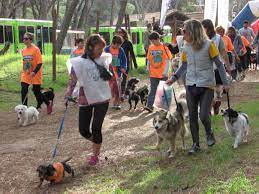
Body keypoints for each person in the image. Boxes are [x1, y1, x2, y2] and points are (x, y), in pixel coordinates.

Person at [166, 19, 229, 154]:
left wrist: (225, 82)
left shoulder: (209, 45)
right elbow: (183, 66)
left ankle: (209, 132)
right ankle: (196, 144)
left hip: (206, 84)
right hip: (190, 84)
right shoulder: (185, 47)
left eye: (184, 31)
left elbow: (219, 64)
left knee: (204, 116)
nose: (183, 34)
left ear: (193, 31)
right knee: (192, 116)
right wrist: (173, 78)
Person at [65, 34, 112, 166]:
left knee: (96, 127)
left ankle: (95, 155)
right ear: (90, 47)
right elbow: (72, 79)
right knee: (83, 130)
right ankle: (96, 141)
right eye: (99, 48)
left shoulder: (104, 59)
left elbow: (110, 76)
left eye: (103, 48)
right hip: (85, 98)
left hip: (102, 99)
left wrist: (115, 90)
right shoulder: (79, 62)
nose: (101, 51)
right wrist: (68, 93)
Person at [201, 19, 231, 115]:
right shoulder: (201, 39)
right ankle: (209, 110)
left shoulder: (218, 38)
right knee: (209, 92)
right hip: (206, 70)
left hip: (217, 69)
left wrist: (228, 65)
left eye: (203, 27)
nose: (202, 30)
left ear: (208, 28)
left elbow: (223, 53)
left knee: (217, 91)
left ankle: (216, 104)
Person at [21, 32, 52, 114]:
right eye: (24, 38)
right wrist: (26, 70)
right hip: (26, 74)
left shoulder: (36, 49)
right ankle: (25, 110)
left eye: (26, 39)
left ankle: (48, 103)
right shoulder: (23, 50)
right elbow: (25, 62)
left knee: (37, 92)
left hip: (36, 74)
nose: (24, 40)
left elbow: (39, 63)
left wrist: (34, 72)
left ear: (31, 40)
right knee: (24, 90)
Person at [144, 31, 172, 113]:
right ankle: (149, 106)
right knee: (153, 90)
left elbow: (167, 60)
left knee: (163, 91)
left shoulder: (164, 47)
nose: (152, 42)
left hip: (163, 74)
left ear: (158, 39)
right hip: (153, 73)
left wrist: (166, 71)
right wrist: (147, 68)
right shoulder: (151, 47)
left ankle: (164, 108)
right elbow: (149, 58)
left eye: (153, 41)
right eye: (151, 41)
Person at [104, 35, 127, 110]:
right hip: (109, 73)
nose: (119, 46)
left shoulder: (121, 50)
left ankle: (116, 104)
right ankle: (109, 102)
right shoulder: (106, 49)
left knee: (118, 89)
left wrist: (123, 67)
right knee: (111, 89)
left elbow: (124, 60)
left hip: (118, 73)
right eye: (118, 45)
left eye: (120, 45)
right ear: (114, 43)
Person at [117, 28, 138, 97]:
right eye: (118, 32)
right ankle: (118, 93)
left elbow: (132, 53)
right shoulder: (115, 42)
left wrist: (135, 63)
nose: (118, 33)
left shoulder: (128, 43)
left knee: (124, 78)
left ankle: (123, 93)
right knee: (117, 78)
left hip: (125, 63)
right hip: (117, 63)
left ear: (123, 33)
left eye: (120, 32)